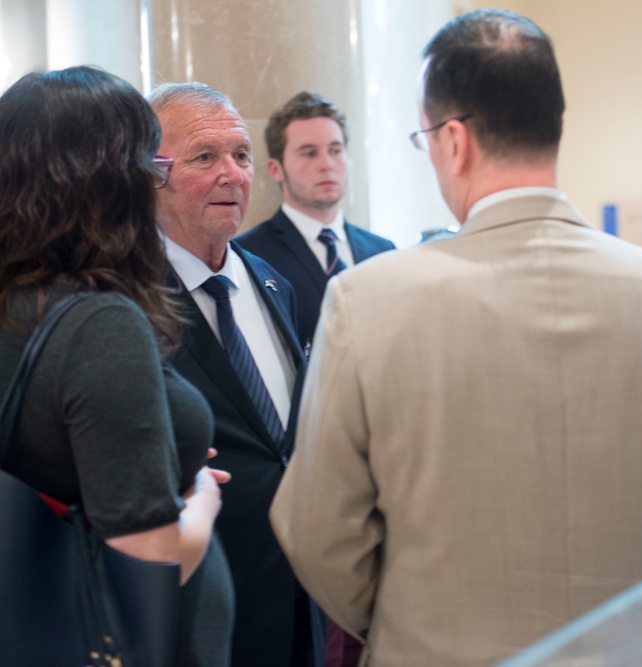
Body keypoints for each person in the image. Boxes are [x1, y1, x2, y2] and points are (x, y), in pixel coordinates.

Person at [270, 9, 642, 667]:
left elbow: (317, 530)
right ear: (556, 125)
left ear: (452, 141)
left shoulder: (366, 301)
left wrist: (410, 617)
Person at [0, 67, 232, 665]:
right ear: (111, 186)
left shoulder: (19, 301)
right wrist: (200, 494)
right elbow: (149, 564)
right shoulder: (100, 326)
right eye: (150, 170)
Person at [150, 82, 314, 667]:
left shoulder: (273, 283)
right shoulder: (127, 300)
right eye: (205, 157)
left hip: (302, 597)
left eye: (241, 155)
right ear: (151, 173)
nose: (234, 175)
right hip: (203, 606)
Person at [237, 92, 396, 350]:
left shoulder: (383, 251)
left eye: (335, 150)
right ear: (276, 169)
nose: (327, 164)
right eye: (309, 153)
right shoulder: (249, 255)